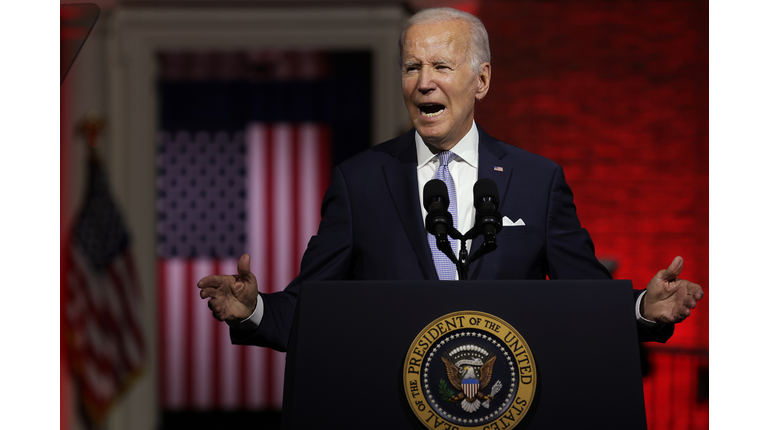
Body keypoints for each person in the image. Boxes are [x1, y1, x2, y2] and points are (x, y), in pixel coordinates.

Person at [198, 7, 703, 352]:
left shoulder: (537, 180)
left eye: (441, 65)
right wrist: (253, 310)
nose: (424, 82)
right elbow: (310, 311)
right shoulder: (360, 182)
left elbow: (585, 299)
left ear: (481, 80)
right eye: (411, 67)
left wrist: (642, 308)